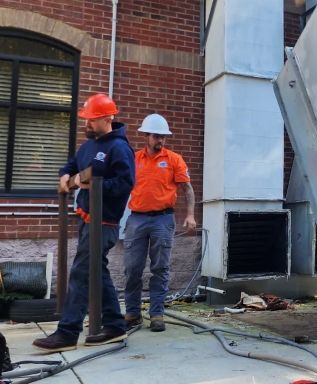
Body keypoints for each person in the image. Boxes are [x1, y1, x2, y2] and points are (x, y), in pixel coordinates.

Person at [33, 93, 135, 352]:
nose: (87, 124)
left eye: (92, 119)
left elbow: (125, 184)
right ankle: (114, 325)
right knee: (95, 272)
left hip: (105, 223)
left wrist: (90, 183)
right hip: (87, 220)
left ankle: (68, 332)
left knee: (81, 273)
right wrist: (65, 175)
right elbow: (71, 165)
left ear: (108, 117)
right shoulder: (87, 146)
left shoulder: (119, 148)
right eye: (86, 119)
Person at [123, 113, 197, 332]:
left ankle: (156, 314)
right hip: (136, 219)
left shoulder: (174, 159)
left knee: (160, 268)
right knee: (132, 268)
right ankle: (132, 314)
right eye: (156, 136)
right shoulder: (134, 159)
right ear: (146, 136)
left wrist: (190, 215)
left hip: (163, 220)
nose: (160, 140)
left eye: (163, 137)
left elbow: (188, 189)